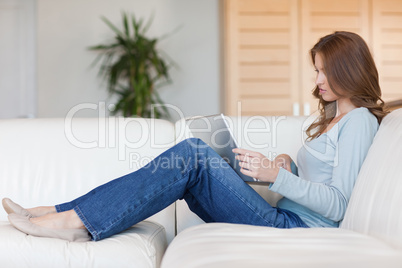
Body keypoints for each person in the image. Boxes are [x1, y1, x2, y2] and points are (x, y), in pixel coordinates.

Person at [3, 31, 388, 242]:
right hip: (284, 215)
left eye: (324, 71)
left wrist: (277, 177)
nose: (317, 80)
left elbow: (338, 205)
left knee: (192, 152)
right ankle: (60, 212)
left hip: (294, 229)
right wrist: (287, 167)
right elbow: (321, 182)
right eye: (316, 70)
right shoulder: (334, 119)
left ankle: (73, 222)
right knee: (196, 156)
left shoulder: (360, 122)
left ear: (348, 69)